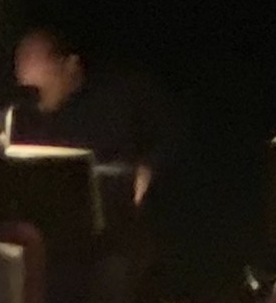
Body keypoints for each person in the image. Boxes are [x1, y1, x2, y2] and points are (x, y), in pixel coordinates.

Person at [10, 26, 176, 206]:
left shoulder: (121, 94)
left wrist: (149, 169)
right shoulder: (23, 116)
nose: (35, 97)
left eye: (43, 86)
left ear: (70, 65)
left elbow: (170, 137)